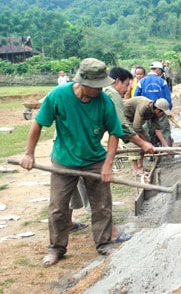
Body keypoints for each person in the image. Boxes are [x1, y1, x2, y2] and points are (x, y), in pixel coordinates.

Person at [19, 58, 124, 266]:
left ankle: (104, 243)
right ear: (83, 82)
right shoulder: (59, 96)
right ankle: (56, 248)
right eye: (96, 86)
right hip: (64, 160)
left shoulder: (104, 102)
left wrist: (107, 164)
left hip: (94, 159)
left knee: (102, 205)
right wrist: (29, 153)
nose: (100, 90)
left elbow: (115, 132)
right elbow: (39, 123)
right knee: (58, 207)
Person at [134, 61, 173, 147]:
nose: (161, 73)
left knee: (148, 131)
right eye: (161, 71)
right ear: (158, 70)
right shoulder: (162, 81)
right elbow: (168, 98)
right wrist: (169, 111)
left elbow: (136, 97)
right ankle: (167, 151)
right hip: (161, 110)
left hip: (145, 111)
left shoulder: (142, 82)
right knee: (164, 131)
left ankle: (151, 151)